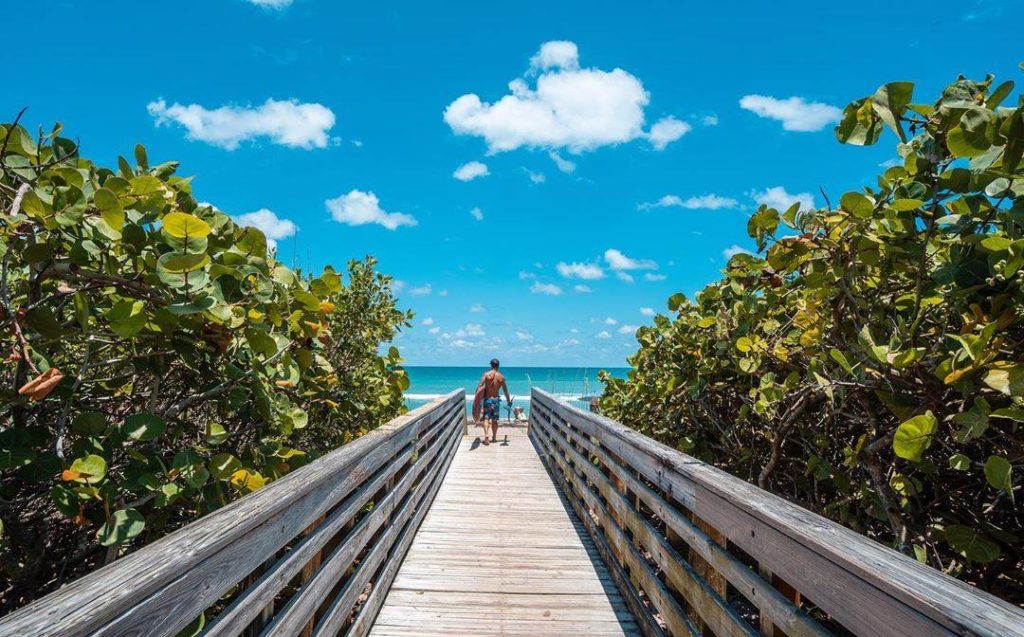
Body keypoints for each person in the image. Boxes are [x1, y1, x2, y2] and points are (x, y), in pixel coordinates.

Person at [477, 358, 510, 444]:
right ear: (498, 366)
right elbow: (506, 391)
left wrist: (477, 399)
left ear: (491, 365)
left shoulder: (486, 375)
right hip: (496, 401)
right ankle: (494, 438)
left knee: (486, 419)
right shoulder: (501, 377)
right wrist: (508, 401)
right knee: (495, 420)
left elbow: (480, 386)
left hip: (487, 400)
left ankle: (486, 436)